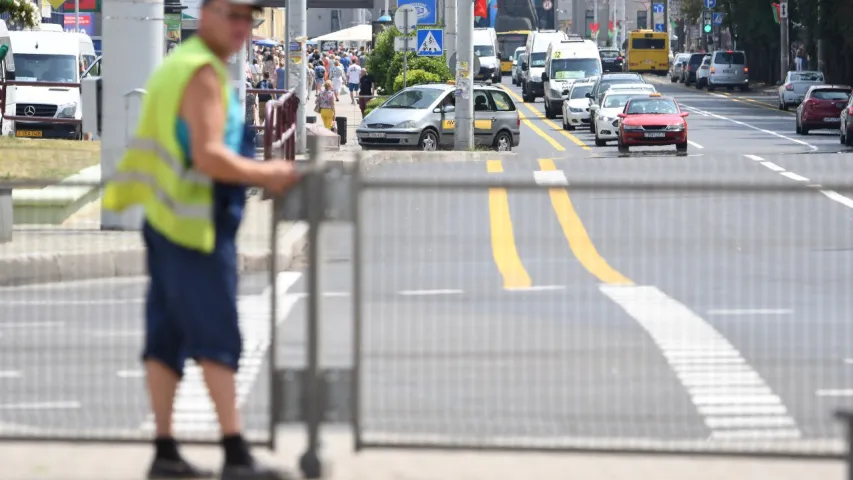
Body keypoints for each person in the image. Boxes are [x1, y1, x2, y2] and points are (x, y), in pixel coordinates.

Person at [101, 0, 300, 477]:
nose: (241, 28)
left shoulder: (175, 66)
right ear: (205, 13)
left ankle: (165, 451)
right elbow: (210, 157)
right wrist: (269, 172)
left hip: (166, 220)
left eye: (247, 19)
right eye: (231, 15)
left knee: (166, 338)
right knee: (217, 338)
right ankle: (236, 453)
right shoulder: (204, 74)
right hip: (198, 228)